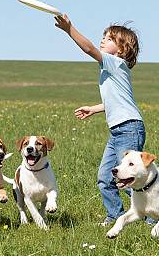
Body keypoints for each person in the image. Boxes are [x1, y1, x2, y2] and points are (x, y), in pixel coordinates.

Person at [54, 14, 147, 226]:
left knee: (130, 178)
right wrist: (94, 109)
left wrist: (70, 29)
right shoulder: (111, 69)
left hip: (129, 129)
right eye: (103, 36)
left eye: (109, 38)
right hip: (118, 131)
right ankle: (115, 215)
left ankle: (155, 218)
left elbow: (88, 49)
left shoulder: (115, 63)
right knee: (105, 178)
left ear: (122, 50)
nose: (103, 40)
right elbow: (118, 101)